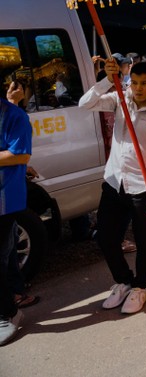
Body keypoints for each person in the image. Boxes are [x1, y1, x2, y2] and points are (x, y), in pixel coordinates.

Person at [78, 59, 146, 315]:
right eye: (134, 82)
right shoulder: (120, 98)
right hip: (114, 181)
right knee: (107, 237)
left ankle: (140, 286)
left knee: (144, 239)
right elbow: (84, 103)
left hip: (143, 185)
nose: (138, 88)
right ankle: (123, 280)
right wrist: (108, 80)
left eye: (144, 83)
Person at [0, 97, 32, 345]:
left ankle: (7, 314)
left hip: (4, 197)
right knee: (7, 252)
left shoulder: (14, 115)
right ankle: (17, 294)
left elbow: (20, 155)